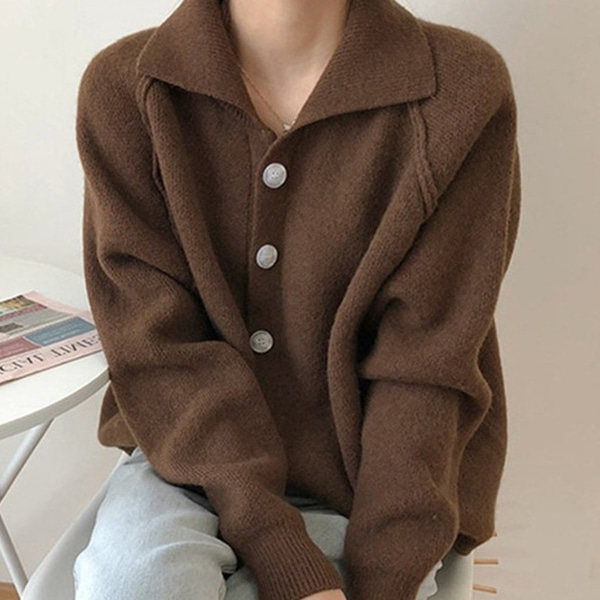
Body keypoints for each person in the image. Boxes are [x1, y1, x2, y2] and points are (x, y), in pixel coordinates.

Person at [72, 0, 521, 599]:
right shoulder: (127, 90)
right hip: (185, 462)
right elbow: (158, 351)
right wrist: (276, 546)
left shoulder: (459, 86)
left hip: (373, 481)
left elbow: (427, 362)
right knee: (133, 584)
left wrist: (384, 578)